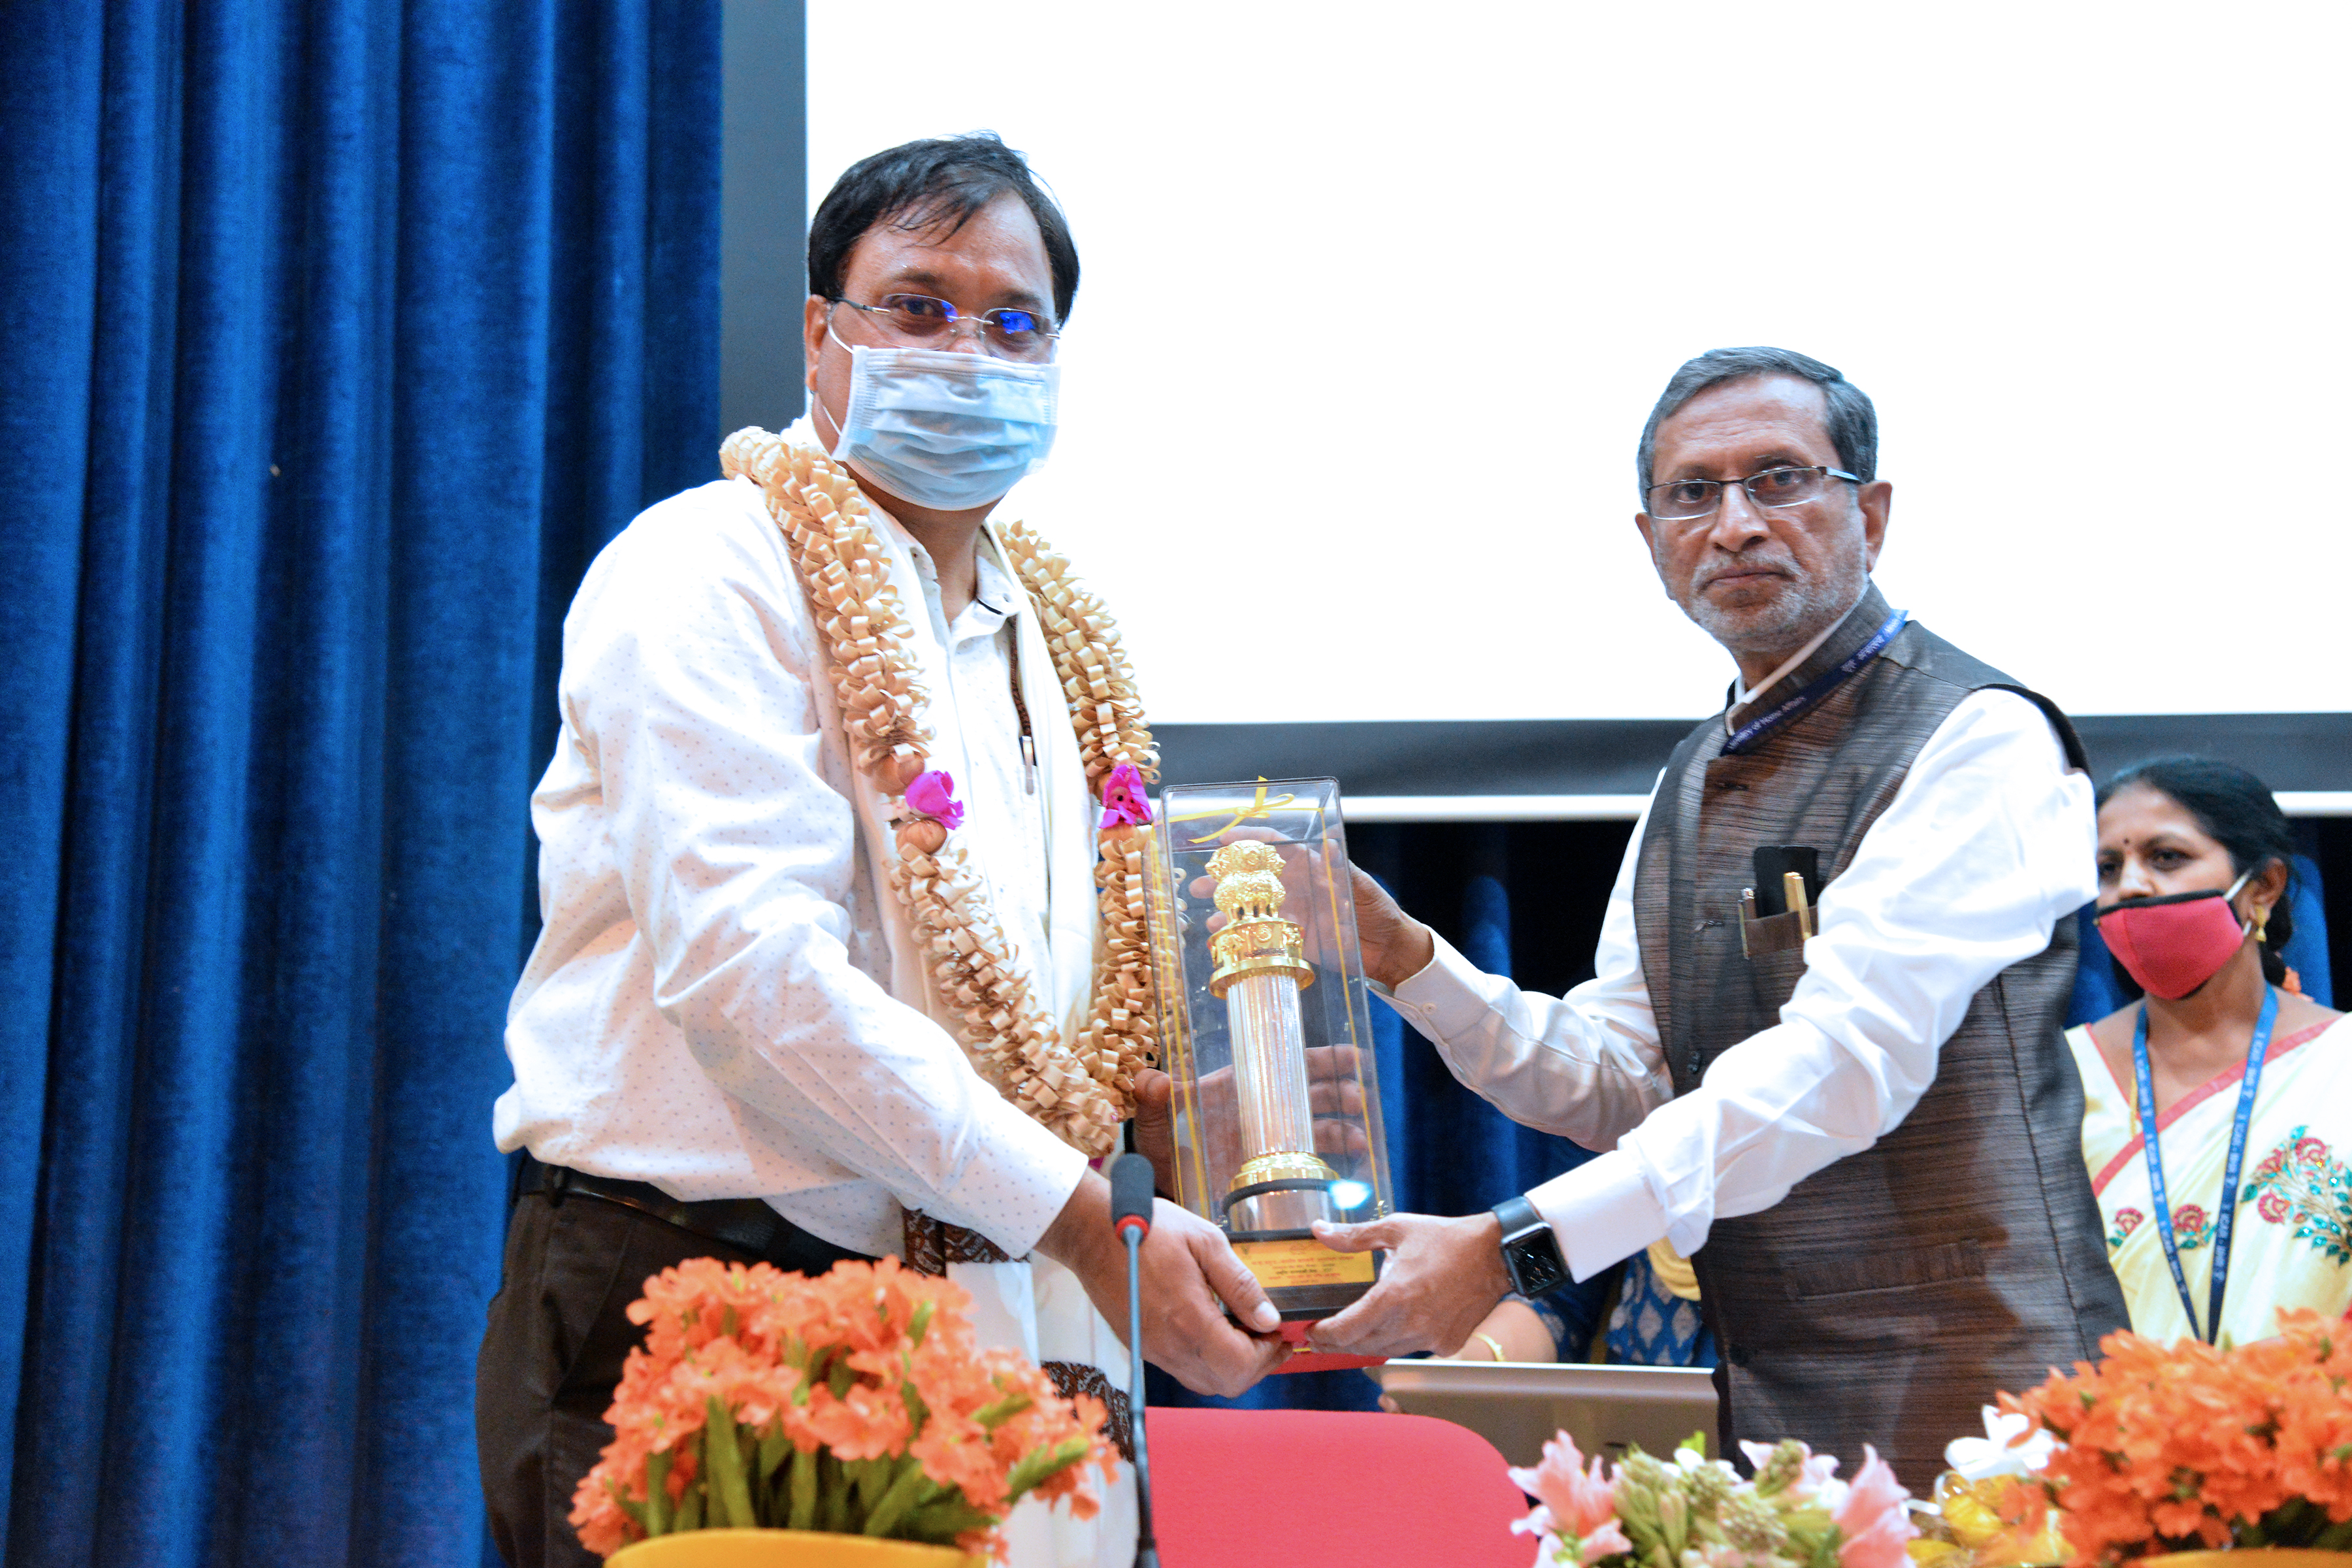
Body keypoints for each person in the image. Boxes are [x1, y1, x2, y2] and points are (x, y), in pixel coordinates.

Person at [475, 135, 1284, 1568]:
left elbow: (1020, 1022)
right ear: (819, 331)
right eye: (915, 306)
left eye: (1011, 319)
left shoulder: (1060, 638)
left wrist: (1187, 1136)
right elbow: (749, 971)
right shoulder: (705, 569)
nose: (965, 351)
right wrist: (1083, 1220)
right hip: (702, 1291)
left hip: (988, 1295)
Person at [1310, 346, 2129, 1484]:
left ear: (1872, 513)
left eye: (1781, 479)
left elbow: (1844, 1065)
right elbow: (1618, 1078)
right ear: (1650, 543)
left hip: (1985, 1399)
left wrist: (1515, 1248)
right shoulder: (1690, 775)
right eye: (1694, 493)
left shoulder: (1977, 736)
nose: (1736, 523)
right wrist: (1407, 961)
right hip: (1767, 1412)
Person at [2074, 757, 2348, 1346]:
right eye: (2109, 866)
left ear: (2264, 886)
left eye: (2166, 857)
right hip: (2105, 1430)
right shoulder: (2055, 1077)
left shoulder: (2341, 1063)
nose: (2132, 886)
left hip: (2319, 1429)